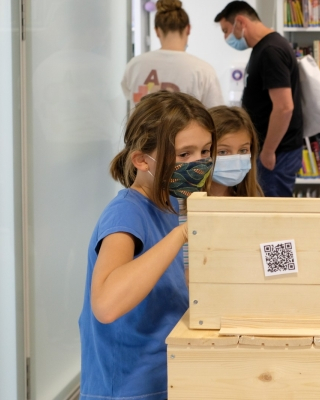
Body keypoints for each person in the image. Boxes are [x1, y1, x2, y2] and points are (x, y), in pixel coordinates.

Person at [79, 91, 216, 400]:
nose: (199, 164)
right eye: (184, 154)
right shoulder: (126, 212)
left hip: (166, 380)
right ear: (142, 159)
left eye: (205, 151)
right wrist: (182, 234)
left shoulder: (170, 204)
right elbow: (106, 304)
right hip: (128, 389)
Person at [215, 1, 303, 197]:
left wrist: (269, 151)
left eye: (226, 30)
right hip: (271, 150)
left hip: (277, 153)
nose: (226, 37)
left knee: (272, 214)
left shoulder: (270, 51)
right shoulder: (264, 48)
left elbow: (284, 107)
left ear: (240, 22)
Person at [178, 106, 263, 274]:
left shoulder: (254, 203)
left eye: (243, 150)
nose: (235, 159)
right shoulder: (178, 205)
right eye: (223, 151)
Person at [121, 0, 223, 108]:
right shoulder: (203, 71)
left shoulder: (135, 65)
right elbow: (216, 115)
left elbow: (128, 94)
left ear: (157, 31)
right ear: (188, 29)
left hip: (139, 125)